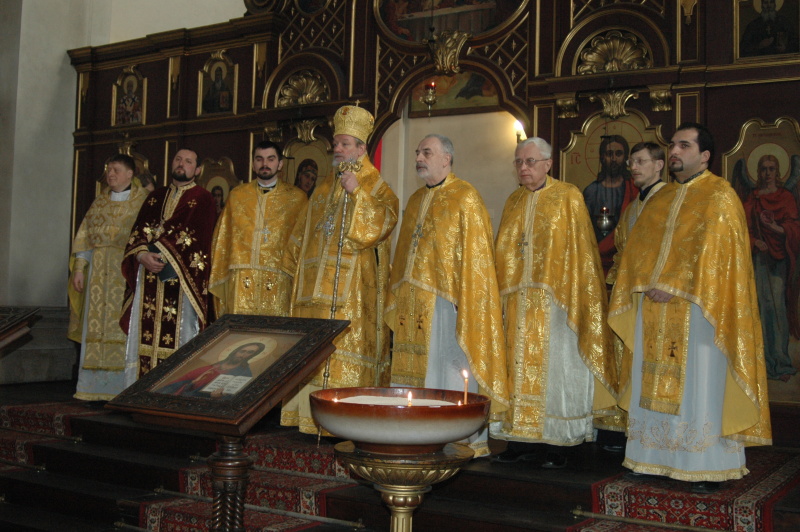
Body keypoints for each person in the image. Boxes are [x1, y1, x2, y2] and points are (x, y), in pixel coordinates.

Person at [608, 123, 772, 491]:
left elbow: (720, 259)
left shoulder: (720, 195)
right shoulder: (660, 199)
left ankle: (704, 464)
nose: (674, 152)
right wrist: (645, 283)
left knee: (699, 385)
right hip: (654, 309)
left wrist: (675, 285)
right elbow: (638, 252)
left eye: (684, 145)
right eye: (672, 145)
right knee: (649, 379)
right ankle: (650, 458)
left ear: (705, 155)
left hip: (700, 312)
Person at [492, 137, 616, 467]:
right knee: (517, 373)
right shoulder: (513, 201)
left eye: (530, 161)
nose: (523, 168)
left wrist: (573, 295)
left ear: (548, 164)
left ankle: (559, 444)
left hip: (558, 304)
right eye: (519, 162)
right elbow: (503, 251)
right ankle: (519, 441)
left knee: (557, 373)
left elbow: (581, 253)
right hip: (518, 303)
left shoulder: (568, 196)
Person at [385, 134, 509, 458]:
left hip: (448, 304)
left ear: (446, 159)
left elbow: (478, 258)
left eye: (426, 152)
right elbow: (405, 252)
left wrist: (467, 298)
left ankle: (457, 435)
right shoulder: (415, 200)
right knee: (418, 370)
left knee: (449, 368)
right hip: (412, 302)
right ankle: (413, 432)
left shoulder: (466, 197)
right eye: (417, 152)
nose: (419, 158)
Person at [280, 105, 399, 434]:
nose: (338, 149)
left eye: (345, 144)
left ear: (361, 148)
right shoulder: (321, 189)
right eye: (336, 143)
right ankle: (309, 420)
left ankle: (345, 420)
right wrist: (290, 268)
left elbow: (384, 221)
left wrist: (356, 192)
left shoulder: (376, 186)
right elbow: (302, 234)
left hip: (351, 293)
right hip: (312, 293)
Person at [120, 148, 217, 376]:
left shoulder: (203, 198)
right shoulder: (155, 196)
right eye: (178, 159)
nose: (182, 164)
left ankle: (175, 389)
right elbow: (138, 232)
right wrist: (142, 255)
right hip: (148, 279)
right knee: (145, 338)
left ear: (198, 170)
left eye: (188, 161)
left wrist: (163, 254)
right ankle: (141, 389)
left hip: (182, 282)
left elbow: (199, 240)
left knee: (180, 339)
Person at [68, 154, 148, 400]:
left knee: (124, 327)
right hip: (97, 277)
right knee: (93, 330)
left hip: (126, 274)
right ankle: (90, 390)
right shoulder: (99, 202)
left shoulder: (143, 202)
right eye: (108, 170)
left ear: (129, 174)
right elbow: (85, 239)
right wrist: (79, 268)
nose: (110, 174)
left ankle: (122, 390)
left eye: (115, 170)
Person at [209, 141, 308, 317]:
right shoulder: (237, 196)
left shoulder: (296, 199)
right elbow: (222, 239)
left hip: (280, 279)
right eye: (259, 159)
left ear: (280, 164)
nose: (265, 164)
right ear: (253, 164)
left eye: (271, 159)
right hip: (241, 278)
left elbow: (304, 240)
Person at [743, 154, 800, 382]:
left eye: (772, 169)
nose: (768, 173)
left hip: (779, 258)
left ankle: (781, 362)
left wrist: (775, 228)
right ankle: (764, 362)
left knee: (777, 308)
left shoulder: (786, 197)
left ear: (778, 172)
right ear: (758, 172)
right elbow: (743, 228)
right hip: (760, 259)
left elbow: (794, 227)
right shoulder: (753, 198)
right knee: (762, 307)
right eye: (764, 169)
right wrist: (755, 242)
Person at [583, 135, 639, 276]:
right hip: (596, 258)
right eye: (609, 154)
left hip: (627, 258)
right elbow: (583, 227)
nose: (614, 159)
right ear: (602, 157)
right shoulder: (591, 191)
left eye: (618, 154)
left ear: (625, 157)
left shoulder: (633, 188)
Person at [156, 341, 269, 397]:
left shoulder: (244, 374)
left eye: (249, 353)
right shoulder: (213, 366)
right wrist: (193, 383)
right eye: (242, 351)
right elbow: (181, 381)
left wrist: (214, 396)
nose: (243, 354)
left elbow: (234, 397)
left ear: (253, 356)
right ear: (236, 351)